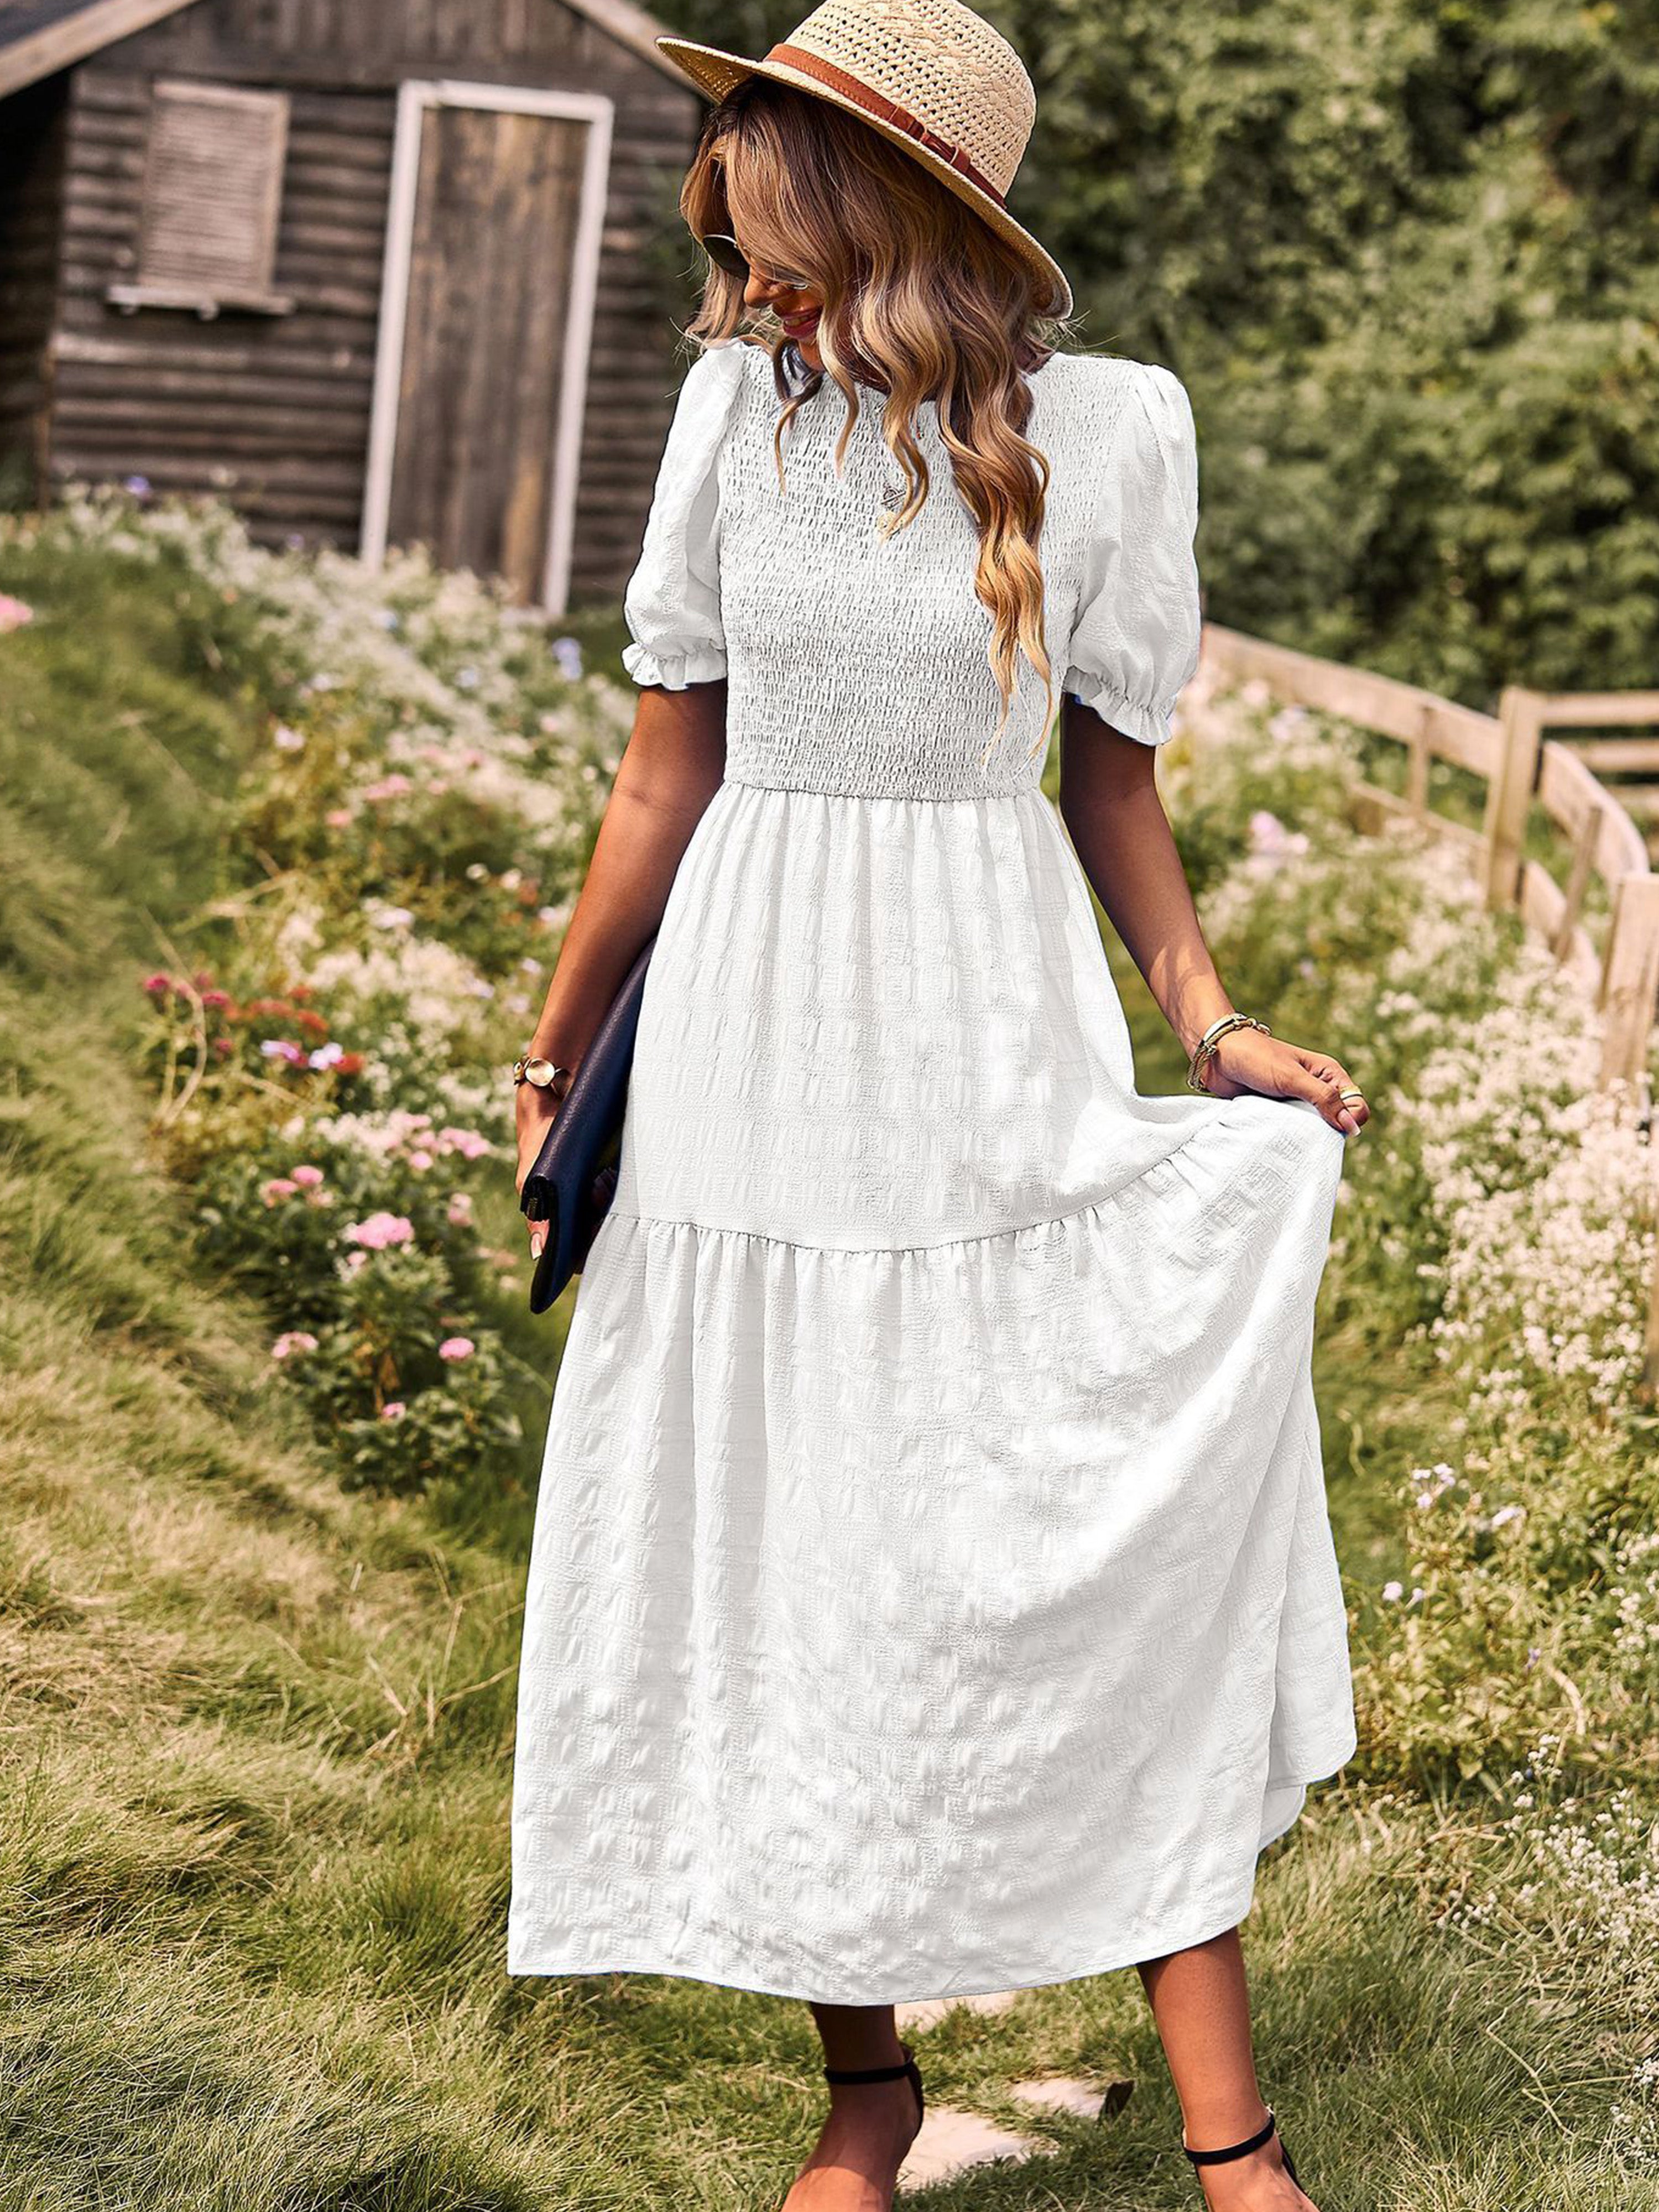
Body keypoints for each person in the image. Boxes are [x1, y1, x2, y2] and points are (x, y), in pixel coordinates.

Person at [506, 3, 1370, 2205]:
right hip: (749, 1048)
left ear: (892, 197)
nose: (738, 214)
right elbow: (661, 772)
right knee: (807, 1538)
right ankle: (865, 2087)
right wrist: (557, 1044)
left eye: (774, 177)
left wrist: (1210, 1020)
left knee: (1086, 1525)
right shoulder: (728, 417)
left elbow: (1116, 781)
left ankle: (1228, 2131)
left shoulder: (1113, 433)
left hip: (991, 1038)